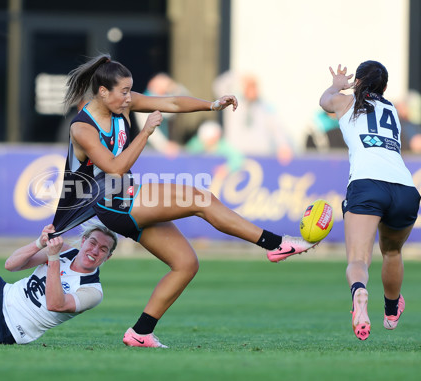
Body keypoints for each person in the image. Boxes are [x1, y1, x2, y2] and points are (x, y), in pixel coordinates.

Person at [50, 54, 318, 348]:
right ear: (103, 92)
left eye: (130, 90)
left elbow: (173, 103)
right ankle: (275, 244)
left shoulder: (121, 102)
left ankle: (141, 333)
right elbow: (115, 167)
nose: (129, 98)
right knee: (201, 199)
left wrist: (211, 105)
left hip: (124, 197)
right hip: (111, 201)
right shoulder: (83, 128)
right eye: (124, 91)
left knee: (186, 264)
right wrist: (147, 131)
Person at [319, 62, 420, 341]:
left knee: (358, 259)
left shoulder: (346, 102)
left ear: (358, 81)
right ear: (385, 87)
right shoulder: (393, 112)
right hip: (404, 187)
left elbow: (324, 101)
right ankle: (390, 311)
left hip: (367, 184)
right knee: (391, 252)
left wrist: (338, 84)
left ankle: (360, 293)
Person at [213, 72, 293, 164]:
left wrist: (283, 145)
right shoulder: (232, 102)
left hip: (259, 155)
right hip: (236, 156)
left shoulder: (265, 107)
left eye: (254, 87)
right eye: (249, 86)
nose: (252, 90)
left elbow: (277, 128)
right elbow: (218, 86)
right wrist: (239, 76)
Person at [132, 73, 186, 157]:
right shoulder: (143, 101)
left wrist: (175, 88)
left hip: (163, 150)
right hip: (147, 150)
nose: (165, 89)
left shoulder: (164, 99)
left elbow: (182, 103)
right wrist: (164, 146)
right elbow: (146, 128)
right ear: (152, 85)